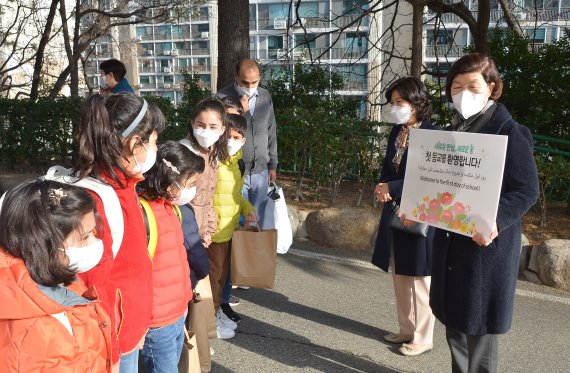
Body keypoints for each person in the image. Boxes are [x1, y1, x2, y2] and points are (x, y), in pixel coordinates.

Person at [429, 53, 539, 372]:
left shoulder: (510, 132)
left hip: (484, 250)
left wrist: (496, 219)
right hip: (452, 245)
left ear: (491, 88)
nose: (463, 93)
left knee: (479, 339)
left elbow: (526, 190)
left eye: (473, 85)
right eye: (456, 86)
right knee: (456, 328)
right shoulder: (451, 132)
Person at [73, 93, 164, 372]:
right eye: (154, 142)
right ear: (134, 143)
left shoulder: (123, 186)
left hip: (126, 330)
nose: (156, 149)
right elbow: (90, 285)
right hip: (113, 340)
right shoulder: (99, 198)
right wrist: (116, 339)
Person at [0, 180, 111, 372]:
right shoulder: (40, 332)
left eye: (94, 231)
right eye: (85, 236)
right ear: (45, 245)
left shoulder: (56, 278)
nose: (96, 241)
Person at [371, 76, 437, 357]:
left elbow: (428, 178)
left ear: (417, 103)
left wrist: (392, 187)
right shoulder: (397, 131)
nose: (395, 107)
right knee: (400, 271)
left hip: (421, 211)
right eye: (393, 102)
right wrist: (382, 186)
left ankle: (423, 336)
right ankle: (406, 328)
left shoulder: (432, 135)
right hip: (397, 208)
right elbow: (390, 167)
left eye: (400, 102)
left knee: (420, 276)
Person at [138, 141, 205, 373]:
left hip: (177, 311)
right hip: (157, 320)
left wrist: (186, 300)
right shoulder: (142, 213)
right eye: (191, 183)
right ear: (170, 181)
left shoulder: (173, 209)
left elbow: (180, 262)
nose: (192, 190)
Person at [216, 59, 278, 230]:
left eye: (255, 82)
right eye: (245, 82)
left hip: (261, 170)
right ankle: (238, 255)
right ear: (236, 77)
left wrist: (273, 164)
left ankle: (257, 254)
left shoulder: (265, 96)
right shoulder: (221, 97)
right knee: (237, 220)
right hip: (234, 169)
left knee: (258, 219)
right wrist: (240, 112)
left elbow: (271, 130)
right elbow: (218, 131)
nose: (250, 86)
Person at [209, 114, 257, 338]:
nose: (232, 141)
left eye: (237, 137)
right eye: (228, 136)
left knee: (222, 276)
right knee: (212, 279)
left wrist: (247, 209)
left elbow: (236, 195)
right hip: (213, 233)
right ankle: (209, 320)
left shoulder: (238, 162)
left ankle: (215, 313)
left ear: (244, 140)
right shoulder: (211, 161)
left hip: (229, 231)